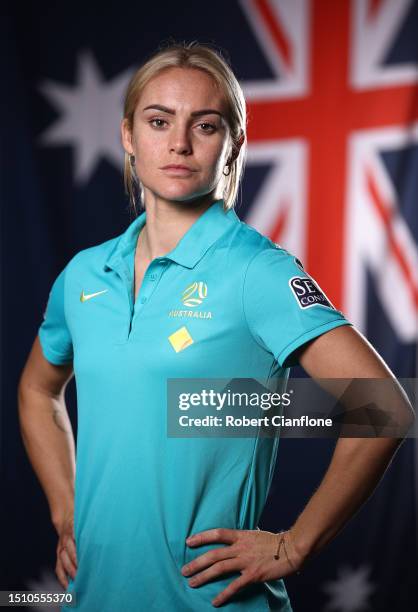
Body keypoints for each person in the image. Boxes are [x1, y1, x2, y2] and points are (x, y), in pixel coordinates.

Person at [17, 41, 414, 612]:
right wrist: (66, 508)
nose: (179, 143)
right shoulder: (85, 274)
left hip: (211, 602)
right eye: (159, 122)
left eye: (205, 125)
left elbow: (384, 409)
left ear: (233, 147)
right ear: (128, 136)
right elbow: (37, 389)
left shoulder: (259, 272)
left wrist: (292, 546)